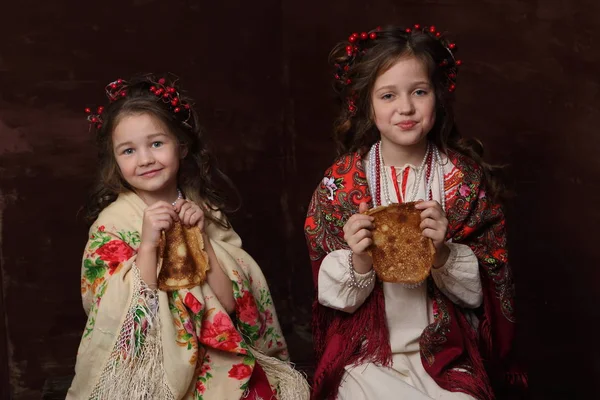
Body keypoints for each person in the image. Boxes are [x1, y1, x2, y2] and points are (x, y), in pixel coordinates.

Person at [304, 25, 526, 399]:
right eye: (388, 95)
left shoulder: (461, 180)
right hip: (367, 351)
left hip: (446, 349)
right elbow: (329, 294)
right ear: (365, 104)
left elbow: (486, 287)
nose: (405, 107)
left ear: (437, 97)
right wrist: (359, 259)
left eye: (418, 92)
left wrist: (443, 253)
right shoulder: (342, 182)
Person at [68, 73, 309, 400]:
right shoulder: (112, 224)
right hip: (152, 366)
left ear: (180, 147)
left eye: (156, 143)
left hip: (215, 354)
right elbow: (119, 317)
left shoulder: (204, 211)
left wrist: (203, 241)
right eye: (128, 150)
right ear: (114, 161)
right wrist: (149, 243)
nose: (146, 159)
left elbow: (229, 302)